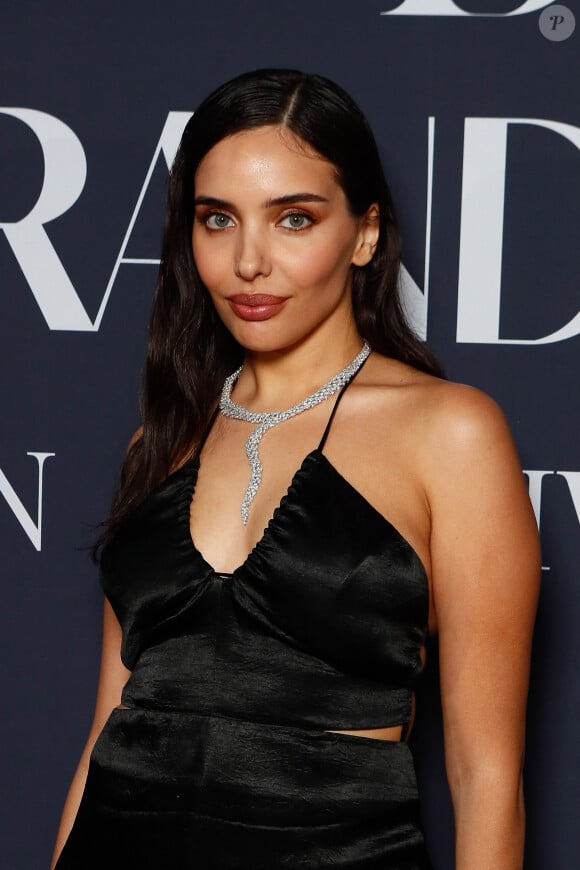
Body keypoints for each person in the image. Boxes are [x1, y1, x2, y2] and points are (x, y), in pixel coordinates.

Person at [51, 69, 540, 869]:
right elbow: (112, 722)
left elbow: (486, 775)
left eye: (294, 218)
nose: (249, 261)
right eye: (218, 220)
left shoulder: (450, 432)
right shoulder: (161, 441)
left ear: (365, 233)